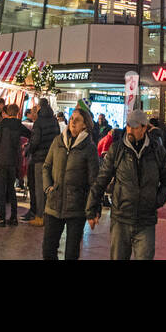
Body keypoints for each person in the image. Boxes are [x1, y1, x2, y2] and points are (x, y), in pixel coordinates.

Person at [86, 109, 166, 259]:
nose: (130, 130)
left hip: (146, 220)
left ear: (144, 127)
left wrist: (157, 200)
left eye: (134, 127)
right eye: (128, 126)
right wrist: (92, 207)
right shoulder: (117, 149)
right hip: (121, 218)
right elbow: (102, 179)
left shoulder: (157, 150)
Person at [43, 106, 98, 260]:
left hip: (76, 208)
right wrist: (48, 187)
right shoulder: (58, 141)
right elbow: (46, 166)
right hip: (54, 204)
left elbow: (94, 180)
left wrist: (93, 209)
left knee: (71, 253)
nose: (73, 122)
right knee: (48, 249)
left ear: (85, 125)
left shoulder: (89, 148)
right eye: (72, 119)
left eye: (77, 120)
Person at [23, 98, 60, 224]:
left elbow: (35, 141)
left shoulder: (39, 122)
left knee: (39, 188)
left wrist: (28, 150)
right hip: (52, 158)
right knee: (48, 188)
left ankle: (40, 216)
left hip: (39, 158)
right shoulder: (54, 121)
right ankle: (48, 214)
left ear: (39, 107)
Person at [0, 103, 28, 226]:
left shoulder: (2, 124)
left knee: (1, 189)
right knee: (11, 189)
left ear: (7, 112)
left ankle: (2, 218)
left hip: (2, 159)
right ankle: (13, 217)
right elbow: (30, 135)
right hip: (13, 161)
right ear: (17, 112)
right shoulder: (19, 124)